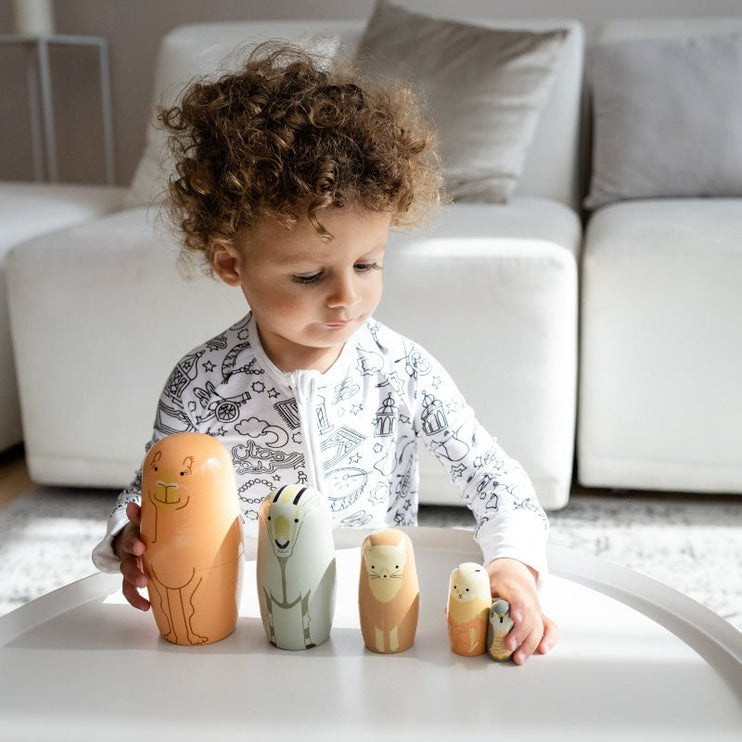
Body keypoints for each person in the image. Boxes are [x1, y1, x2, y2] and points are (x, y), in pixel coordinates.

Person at [92, 42, 558, 664]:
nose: (347, 297)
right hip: (247, 617)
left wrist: (514, 565)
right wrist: (130, 538)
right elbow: (152, 490)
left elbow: (496, 479)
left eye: (367, 264)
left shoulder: (402, 370)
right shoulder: (201, 382)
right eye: (310, 276)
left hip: (375, 614)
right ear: (231, 263)